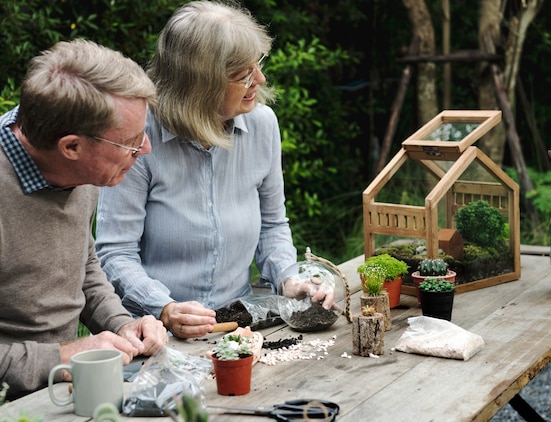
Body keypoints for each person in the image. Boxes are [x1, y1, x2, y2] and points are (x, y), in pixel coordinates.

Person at [95, 1, 334, 340]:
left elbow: (272, 225)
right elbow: (115, 253)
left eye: (258, 65)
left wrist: (288, 277)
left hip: (237, 323)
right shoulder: (139, 134)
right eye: (243, 76)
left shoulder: (263, 125)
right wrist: (164, 306)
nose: (261, 79)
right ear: (200, 85)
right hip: (152, 333)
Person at [0, 39, 169, 400]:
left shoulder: (82, 170)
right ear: (72, 147)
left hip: (65, 385)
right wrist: (60, 356)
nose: (146, 150)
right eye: (130, 142)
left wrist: (122, 324)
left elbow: (83, 266)